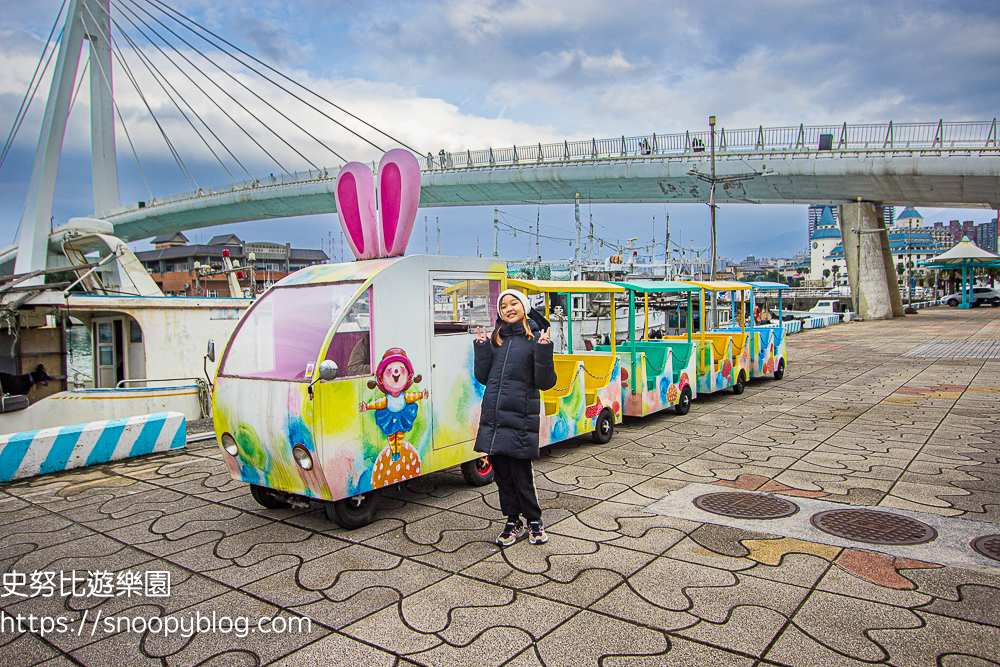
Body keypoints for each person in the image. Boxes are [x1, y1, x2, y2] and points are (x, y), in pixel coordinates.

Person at [474, 289, 557, 546]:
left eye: (514, 303)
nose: (509, 309)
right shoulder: (497, 340)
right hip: (495, 419)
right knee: (502, 475)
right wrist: (482, 349)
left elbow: (545, 382)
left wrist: (544, 351)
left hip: (520, 418)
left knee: (522, 475)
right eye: (503, 306)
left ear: (524, 306)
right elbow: (484, 378)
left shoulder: (535, 339)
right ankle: (512, 521)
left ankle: (534, 521)